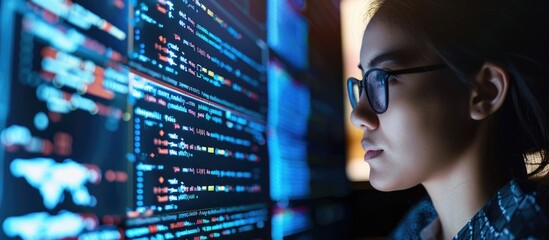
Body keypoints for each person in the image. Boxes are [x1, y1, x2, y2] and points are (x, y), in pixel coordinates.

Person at [347, 0, 549, 239]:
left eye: (384, 78)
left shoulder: (531, 231)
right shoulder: (419, 221)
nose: (357, 116)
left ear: (485, 92)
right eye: (363, 85)